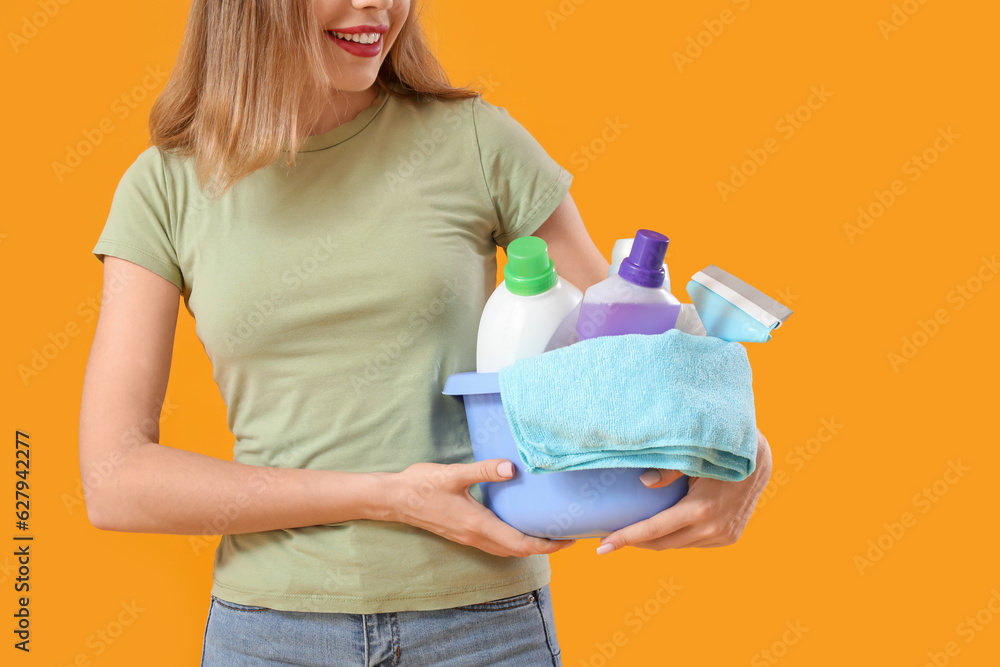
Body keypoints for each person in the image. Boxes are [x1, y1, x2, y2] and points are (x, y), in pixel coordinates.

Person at [79, 0, 773, 664]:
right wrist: (385, 493)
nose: (376, 5)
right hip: (271, 635)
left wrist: (744, 449)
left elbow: (629, 345)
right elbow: (115, 479)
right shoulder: (165, 188)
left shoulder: (473, 140)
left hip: (485, 629)